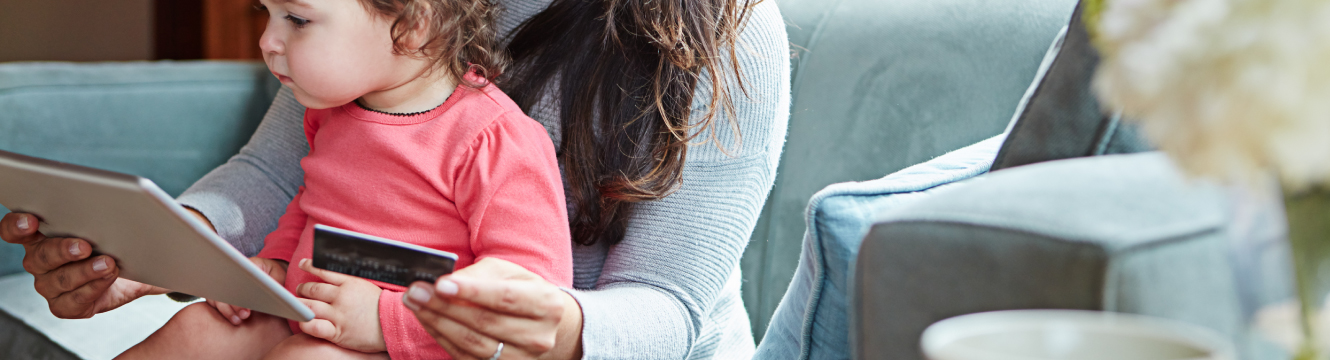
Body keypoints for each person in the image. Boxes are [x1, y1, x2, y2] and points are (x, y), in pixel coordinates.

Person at [0, 0, 790, 358]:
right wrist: (166, 250)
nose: (274, 41)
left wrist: (553, 327)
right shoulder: (365, 26)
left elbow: (670, 306)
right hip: (346, 308)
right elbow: (279, 173)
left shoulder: (725, 30)